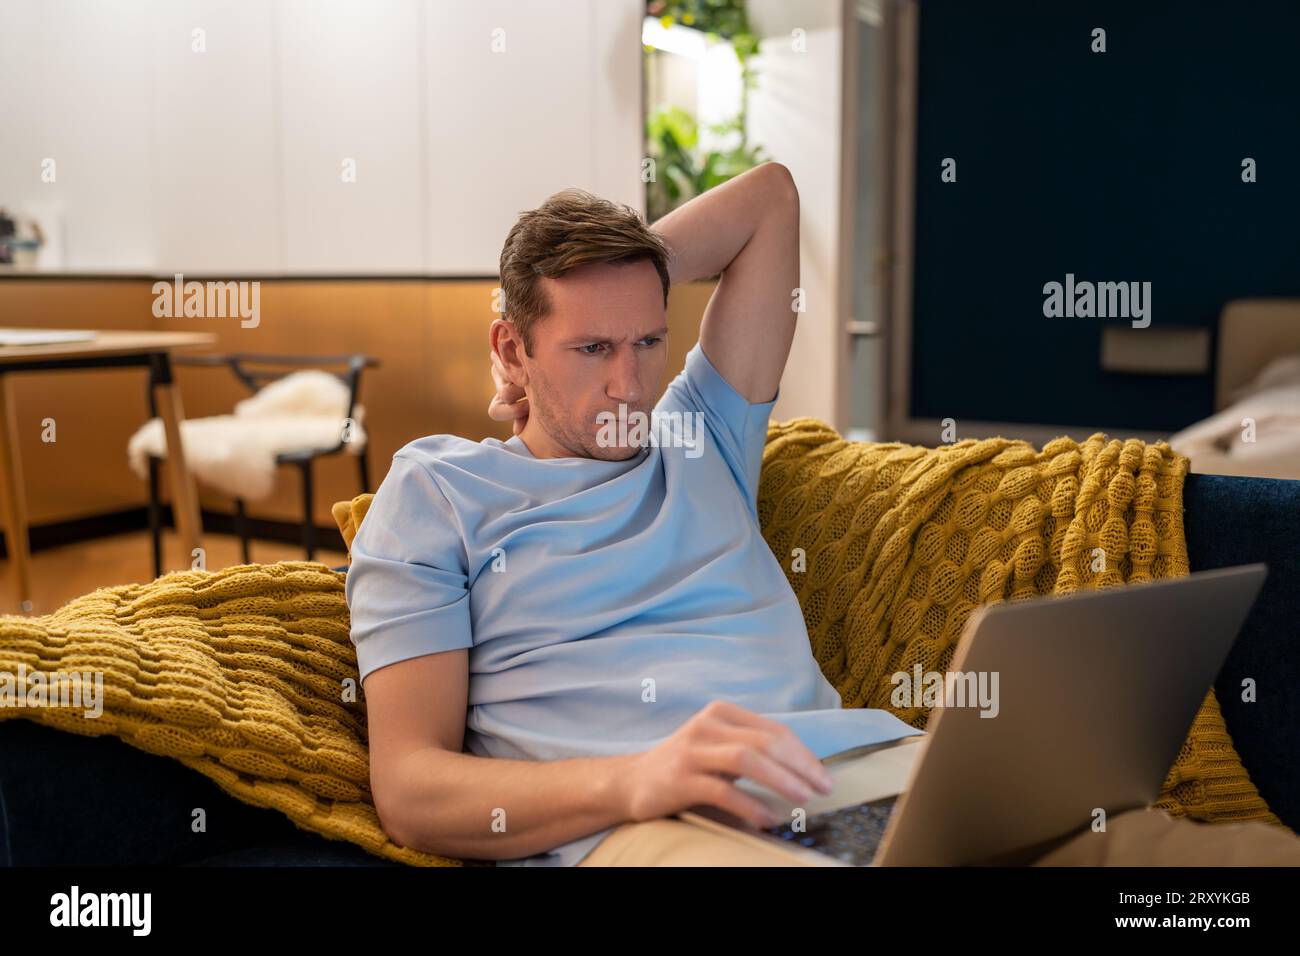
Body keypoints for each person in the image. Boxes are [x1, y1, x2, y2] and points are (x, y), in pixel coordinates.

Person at [346, 163, 1300, 867]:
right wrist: (637, 778)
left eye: (649, 338)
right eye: (590, 346)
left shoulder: (699, 435)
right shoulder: (436, 496)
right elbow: (414, 790)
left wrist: (624, 268)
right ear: (509, 346)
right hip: (652, 825)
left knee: (1232, 867)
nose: (631, 382)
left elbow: (770, 198)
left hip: (877, 770)